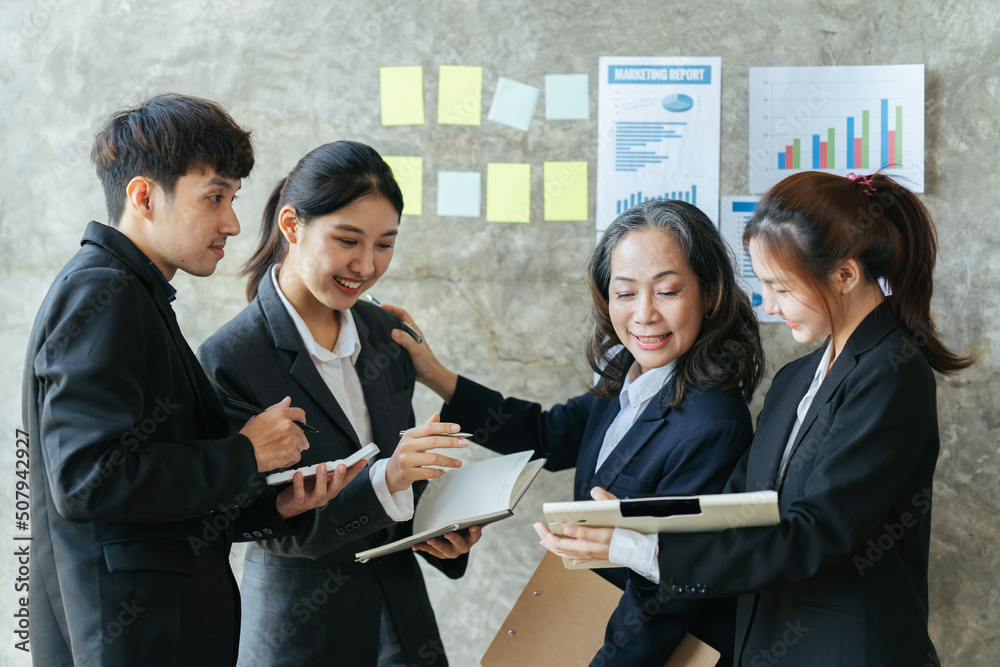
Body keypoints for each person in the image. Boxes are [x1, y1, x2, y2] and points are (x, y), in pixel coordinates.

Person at [539, 172, 974, 666]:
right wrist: (625, 523)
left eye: (781, 287)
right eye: (763, 286)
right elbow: (733, 508)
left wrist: (640, 550)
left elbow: (815, 533)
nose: (768, 305)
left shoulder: (892, 372)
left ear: (846, 275)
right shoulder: (796, 378)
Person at [20, 94, 362, 667]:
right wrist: (245, 454)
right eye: (214, 197)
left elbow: (153, 480)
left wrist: (272, 503)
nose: (231, 222)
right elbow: (87, 482)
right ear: (143, 196)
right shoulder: (103, 295)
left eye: (234, 198)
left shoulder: (133, 292)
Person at [385, 199, 765, 666]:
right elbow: (546, 435)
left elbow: (668, 592)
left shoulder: (713, 425)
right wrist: (435, 374)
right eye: (625, 293)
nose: (644, 314)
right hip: (586, 614)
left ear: (709, 294)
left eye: (667, 291)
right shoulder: (630, 375)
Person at [198, 140, 479, 667]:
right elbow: (246, 520)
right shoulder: (232, 357)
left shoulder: (389, 336)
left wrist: (445, 527)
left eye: (385, 245)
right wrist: (388, 479)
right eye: (347, 240)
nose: (366, 265)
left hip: (401, 614)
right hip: (300, 628)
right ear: (292, 225)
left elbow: (405, 480)